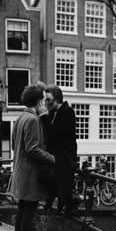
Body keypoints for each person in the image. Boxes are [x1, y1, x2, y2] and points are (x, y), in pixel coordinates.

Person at [9, 83, 55, 231]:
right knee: (28, 214)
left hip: (20, 172)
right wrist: (54, 159)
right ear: (37, 102)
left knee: (22, 212)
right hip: (30, 176)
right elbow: (33, 149)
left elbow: (15, 146)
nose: (45, 103)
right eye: (43, 100)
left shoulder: (21, 117)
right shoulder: (33, 120)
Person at [42, 85, 77, 216]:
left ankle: (67, 206)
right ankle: (54, 201)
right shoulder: (52, 114)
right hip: (56, 155)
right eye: (46, 100)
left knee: (64, 185)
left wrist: (43, 116)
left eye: (48, 100)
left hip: (65, 156)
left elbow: (56, 133)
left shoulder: (67, 111)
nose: (46, 103)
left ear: (57, 99)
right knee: (45, 175)